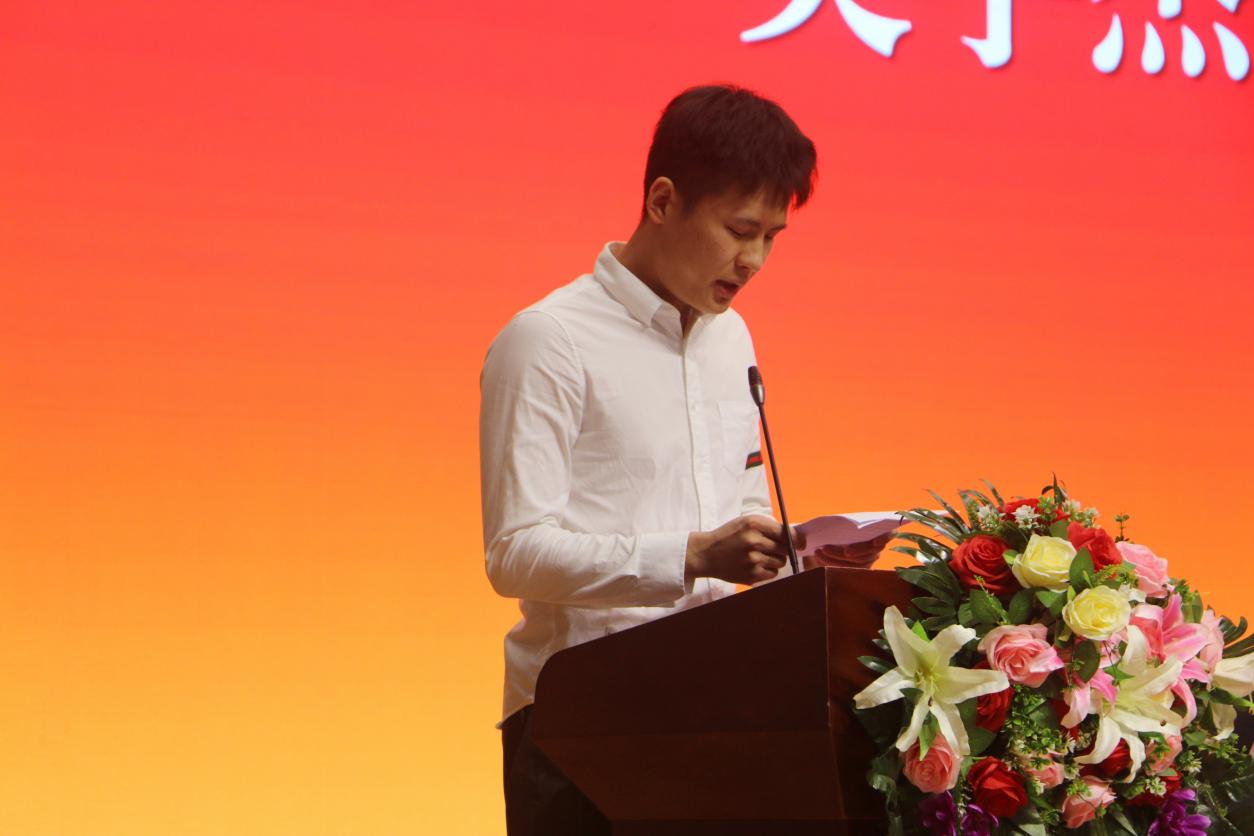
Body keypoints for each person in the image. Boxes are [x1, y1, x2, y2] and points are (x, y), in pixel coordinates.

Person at [479, 84, 886, 836]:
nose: (754, 260)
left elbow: (743, 509)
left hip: (715, 718)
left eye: (771, 238)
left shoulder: (732, 339)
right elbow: (515, 554)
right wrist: (694, 555)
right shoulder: (548, 340)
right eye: (739, 230)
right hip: (578, 727)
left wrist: (798, 556)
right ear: (663, 201)